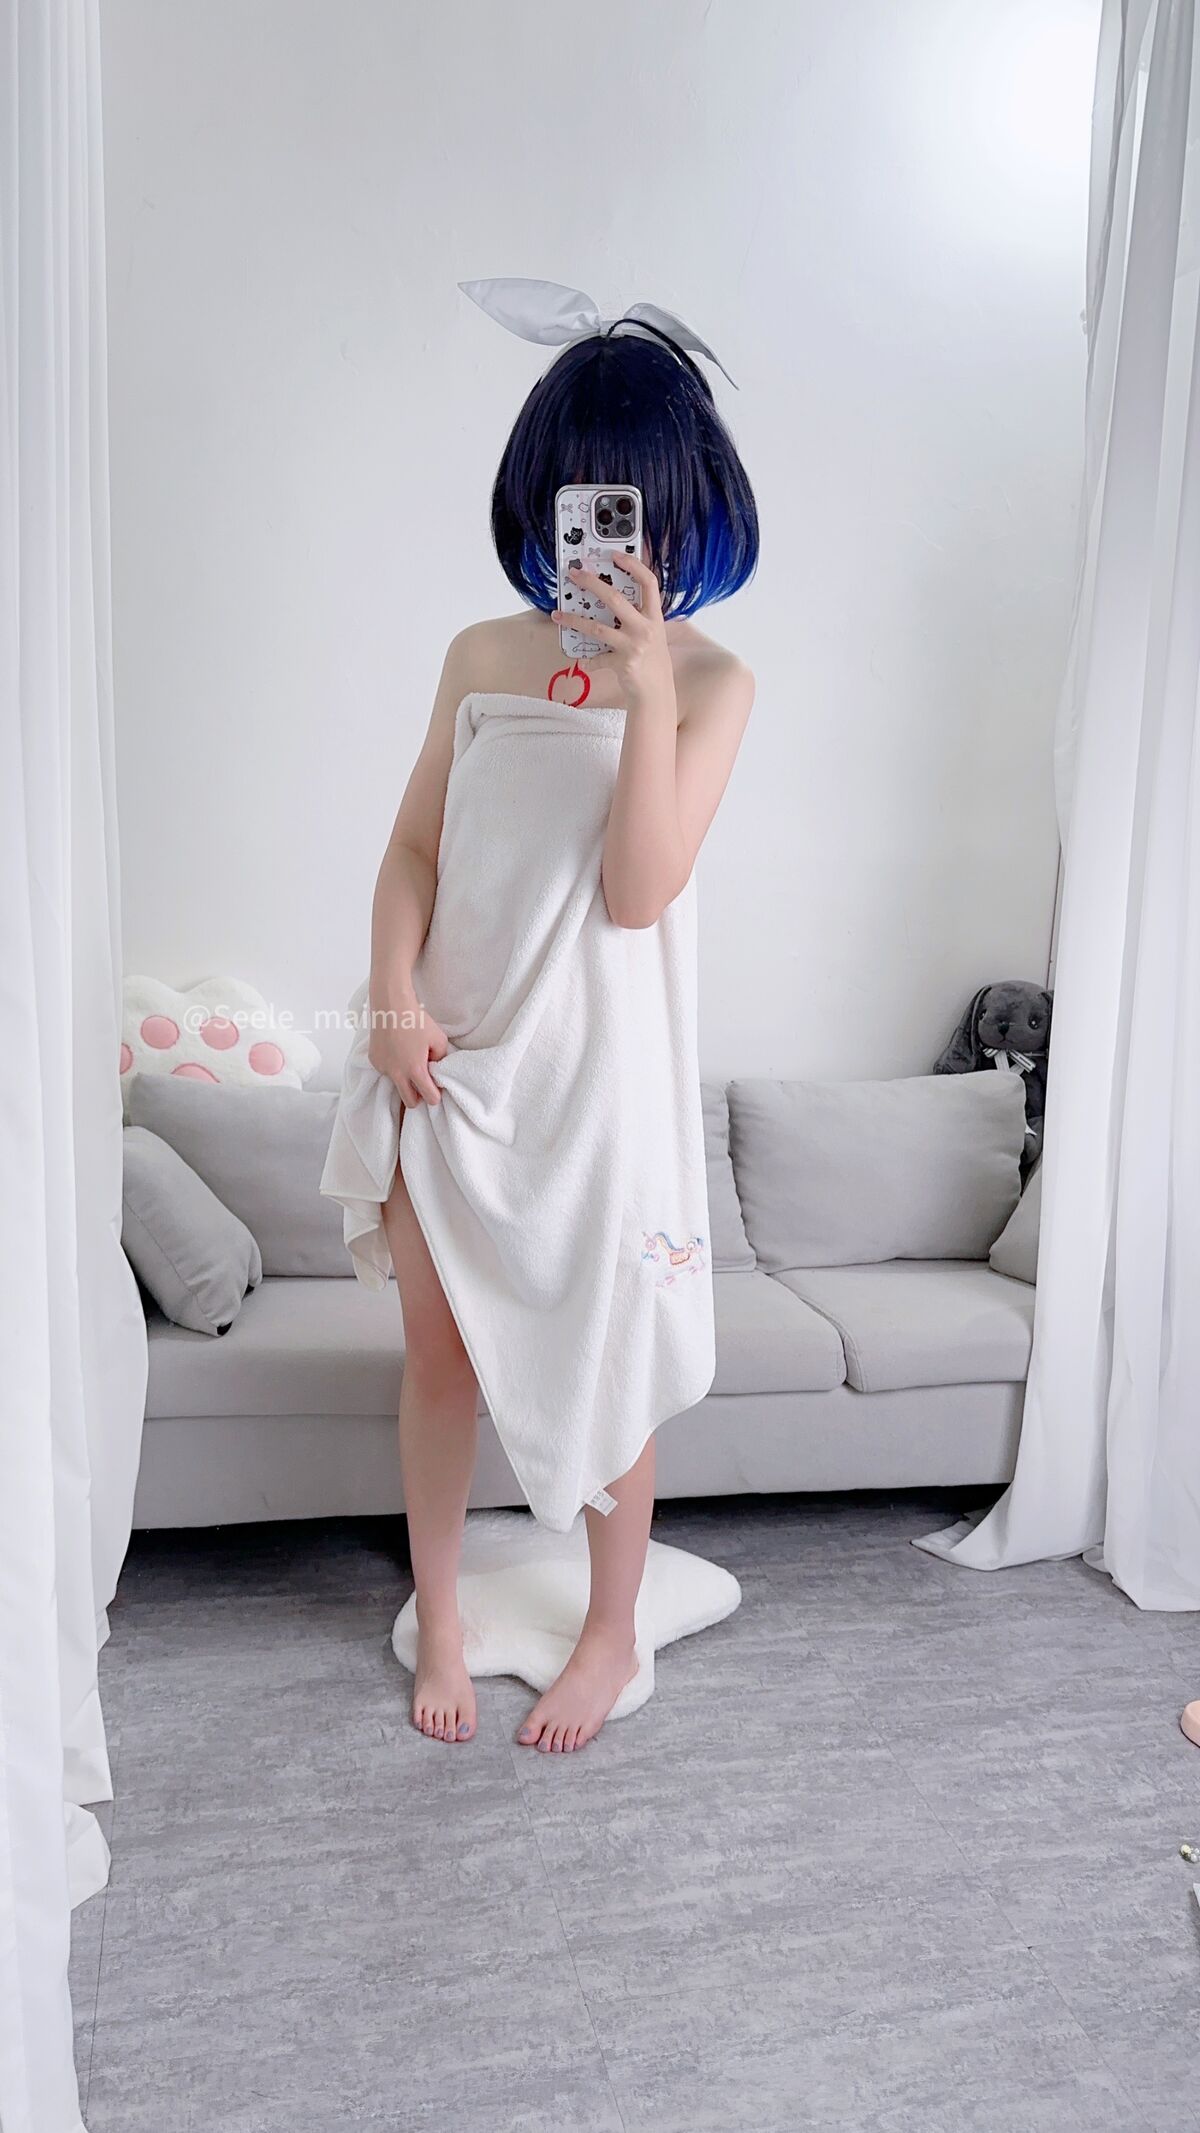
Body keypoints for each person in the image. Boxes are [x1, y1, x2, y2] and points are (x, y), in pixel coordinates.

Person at [338, 293, 757, 1752]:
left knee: (612, 1362)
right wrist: (390, 1004)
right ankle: (444, 1617)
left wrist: (646, 698)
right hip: (448, 1069)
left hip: (598, 1096)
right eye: (586, 499)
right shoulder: (478, 655)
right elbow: (413, 851)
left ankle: (609, 1631)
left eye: (631, 502)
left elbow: (640, 893)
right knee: (440, 1364)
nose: (607, 536)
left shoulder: (715, 683)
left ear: (685, 501)